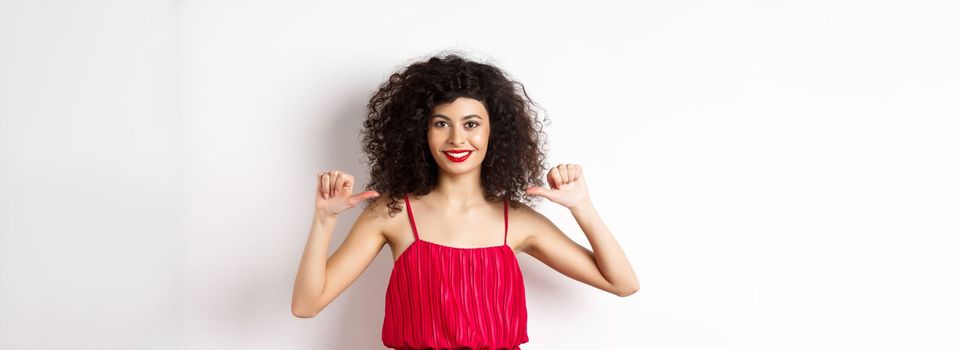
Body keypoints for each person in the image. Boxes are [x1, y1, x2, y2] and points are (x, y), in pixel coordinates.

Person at [291, 53, 639, 349]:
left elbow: (622, 283)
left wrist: (582, 207)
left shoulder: (516, 221)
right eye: (441, 123)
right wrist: (324, 220)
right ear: (420, 133)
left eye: (471, 123)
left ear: (494, 132)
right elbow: (306, 305)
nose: (457, 138)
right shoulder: (392, 213)